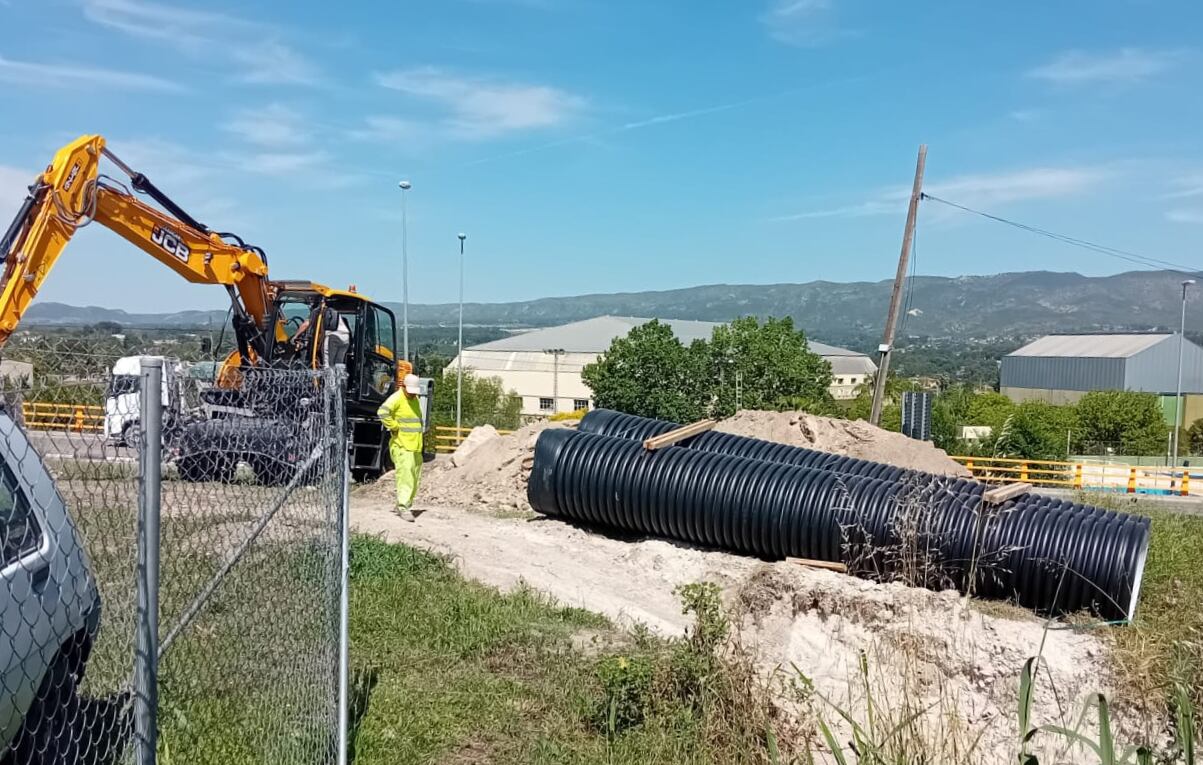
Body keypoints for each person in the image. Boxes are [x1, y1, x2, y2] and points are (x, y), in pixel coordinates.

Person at [377, 365, 425, 521]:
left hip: (415, 445)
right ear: (403, 387)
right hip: (402, 445)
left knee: (415, 478)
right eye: (409, 392)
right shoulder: (397, 397)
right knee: (405, 477)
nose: (412, 395)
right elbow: (382, 412)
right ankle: (404, 507)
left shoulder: (415, 399)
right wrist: (394, 426)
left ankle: (403, 504)